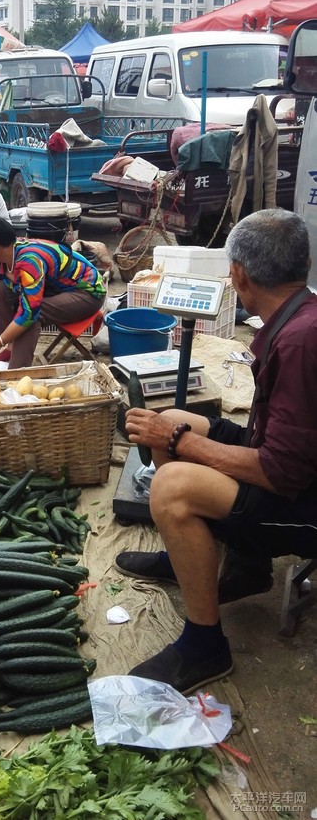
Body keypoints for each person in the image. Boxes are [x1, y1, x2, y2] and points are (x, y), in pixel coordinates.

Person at [114, 208, 317, 696]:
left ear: (239, 274)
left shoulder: (301, 340)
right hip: (294, 468)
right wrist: (182, 434)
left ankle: (205, 644)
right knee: (184, 420)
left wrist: (179, 444)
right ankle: (227, 561)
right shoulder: (299, 318)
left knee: (172, 484)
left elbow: (279, 471)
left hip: (305, 499)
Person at [0, 216, 106, 369]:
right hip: (55, 290)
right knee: (0, 288)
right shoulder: (3, 262)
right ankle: (10, 347)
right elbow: (13, 305)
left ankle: (16, 373)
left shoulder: (29, 260)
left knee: (31, 317)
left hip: (87, 293)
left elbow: (28, 314)